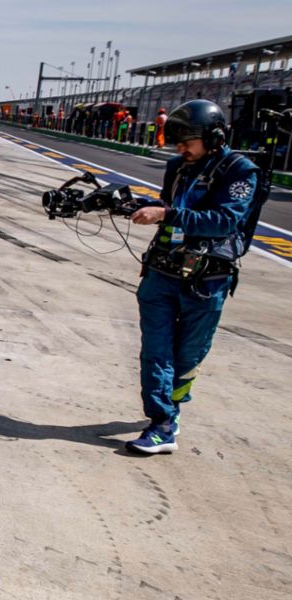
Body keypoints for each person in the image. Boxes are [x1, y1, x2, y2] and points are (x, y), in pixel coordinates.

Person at [124, 100, 259, 455]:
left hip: (206, 280)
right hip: (162, 272)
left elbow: (223, 221)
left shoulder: (240, 171)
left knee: (187, 356)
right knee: (156, 351)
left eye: (188, 142)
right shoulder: (177, 167)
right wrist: (133, 206)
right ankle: (162, 424)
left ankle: (172, 410)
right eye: (178, 143)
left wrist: (165, 214)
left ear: (213, 138)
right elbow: (170, 206)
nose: (181, 149)